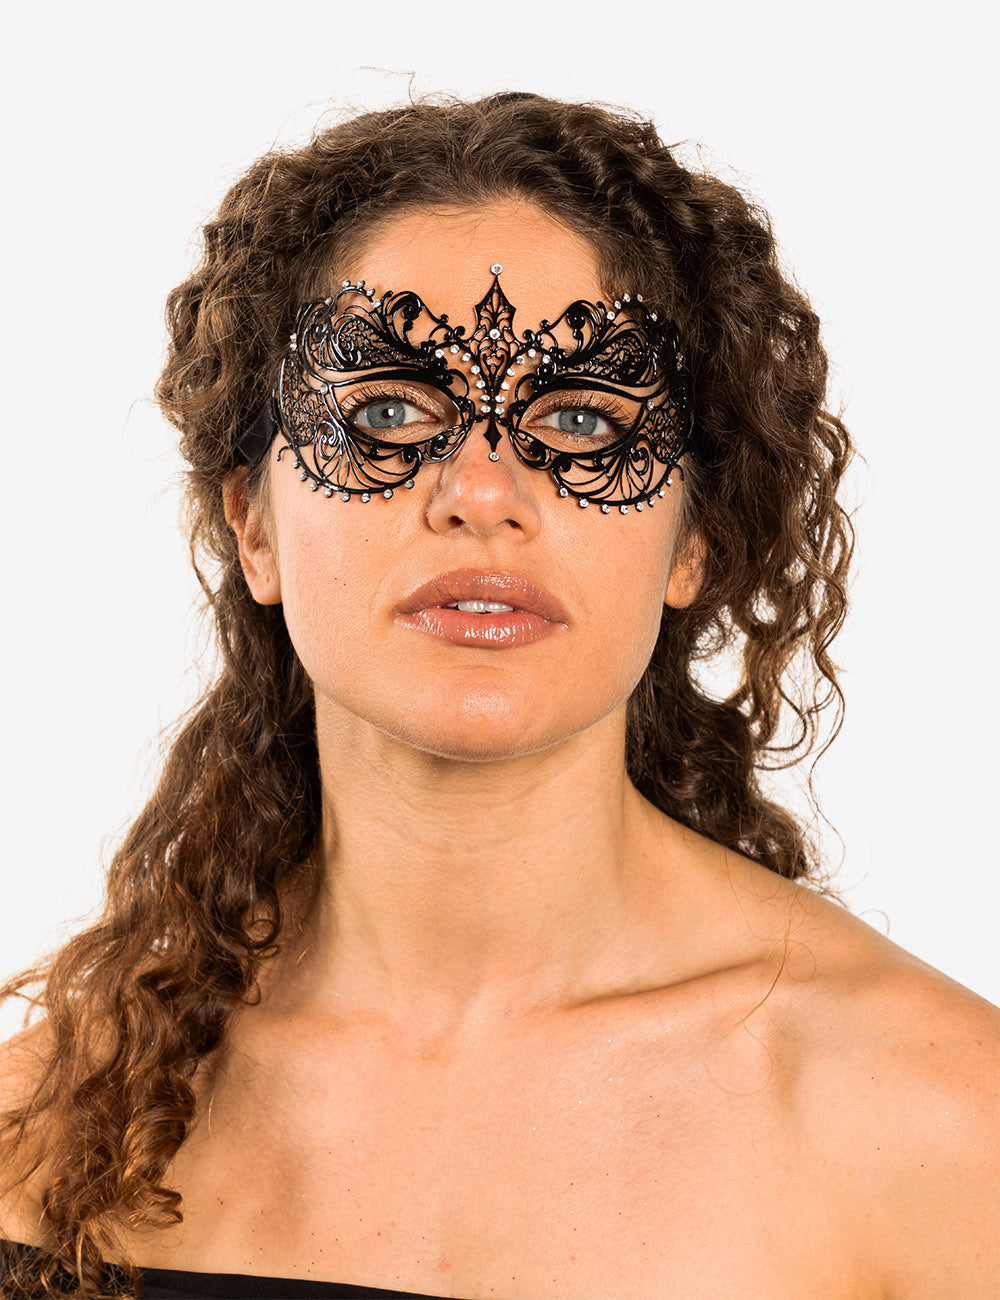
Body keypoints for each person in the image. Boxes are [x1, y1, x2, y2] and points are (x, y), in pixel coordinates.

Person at [1, 91, 997, 1300]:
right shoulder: (42, 1133)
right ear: (252, 525)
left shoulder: (943, 1122)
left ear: (691, 540)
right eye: (385, 412)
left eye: (578, 420)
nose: (481, 492)